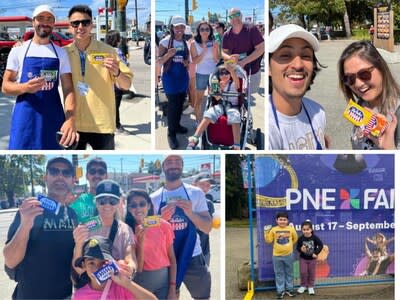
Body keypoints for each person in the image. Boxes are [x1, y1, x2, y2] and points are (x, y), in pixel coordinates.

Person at [1, 5, 78, 150]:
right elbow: (5, 86)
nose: (45, 22)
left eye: (49, 19)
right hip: (24, 118)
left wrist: (71, 118)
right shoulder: (18, 50)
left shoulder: (61, 53)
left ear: (53, 24)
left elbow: (68, 88)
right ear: (33, 22)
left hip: (53, 118)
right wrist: (25, 87)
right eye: (40, 18)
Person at [4, 157, 78, 299]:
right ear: (46, 177)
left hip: (64, 295)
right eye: (54, 171)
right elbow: (10, 260)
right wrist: (26, 224)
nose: (60, 176)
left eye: (66, 173)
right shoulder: (30, 209)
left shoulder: (72, 215)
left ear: (73, 180)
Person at [65, 5, 133, 150]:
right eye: (75, 23)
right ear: (69, 27)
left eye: (85, 22)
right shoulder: (63, 54)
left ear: (92, 25)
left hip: (102, 124)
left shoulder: (108, 51)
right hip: (73, 123)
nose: (80, 27)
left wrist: (117, 73)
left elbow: (126, 85)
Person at [151, 155, 212, 299]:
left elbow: (207, 227)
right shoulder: (154, 198)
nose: (174, 165)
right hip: (165, 258)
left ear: (182, 166)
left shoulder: (196, 193)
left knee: (202, 296)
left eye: (178, 161)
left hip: (193, 255)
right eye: (169, 162)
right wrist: (160, 219)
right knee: (171, 296)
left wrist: (190, 213)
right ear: (163, 167)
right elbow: (148, 231)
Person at [268, 24, 327, 150]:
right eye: (285, 55)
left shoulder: (318, 113)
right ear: (268, 67)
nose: (298, 65)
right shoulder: (269, 130)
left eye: (306, 55)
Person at [338, 40, 400, 149]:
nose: (358, 84)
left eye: (364, 74)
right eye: (349, 78)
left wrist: (390, 150)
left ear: (381, 67)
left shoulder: (397, 112)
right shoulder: (362, 104)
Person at [72, 179, 137, 284]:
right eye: (102, 201)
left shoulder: (126, 229)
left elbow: (130, 257)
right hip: (93, 288)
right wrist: (79, 243)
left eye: (112, 201)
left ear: (118, 203)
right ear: (96, 203)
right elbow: (79, 267)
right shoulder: (84, 229)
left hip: (118, 286)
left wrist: (129, 268)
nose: (107, 205)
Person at [125, 189, 177, 300]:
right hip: (140, 281)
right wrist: (141, 241)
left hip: (163, 281)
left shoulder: (163, 225)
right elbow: (138, 268)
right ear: (129, 209)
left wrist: (172, 288)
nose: (138, 208)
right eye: (133, 205)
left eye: (142, 204)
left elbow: (172, 258)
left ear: (149, 205)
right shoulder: (127, 230)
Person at [73, 236, 156, 300]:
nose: (97, 268)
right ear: (84, 265)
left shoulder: (122, 287)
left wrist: (128, 284)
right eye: (91, 263)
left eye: (103, 263)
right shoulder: (79, 296)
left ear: (111, 263)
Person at [186, 64, 241, 149]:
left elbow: (238, 84)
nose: (224, 75)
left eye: (227, 73)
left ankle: (236, 144)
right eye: (222, 74)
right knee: (209, 113)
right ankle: (195, 138)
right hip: (221, 105)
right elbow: (217, 98)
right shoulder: (217, 84)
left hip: (233, 106)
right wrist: (220, 89)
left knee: (235, 116)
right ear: (219, 76)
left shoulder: (233, 83)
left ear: (230, 74)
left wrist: (232, 70)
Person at [158, 16, 190, 149]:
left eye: (182, 26)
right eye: (177, 27)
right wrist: (167, 56)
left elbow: (187, 59)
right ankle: (171, 134)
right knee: (173, 106)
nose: (179, 29)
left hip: (182, 77)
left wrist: (187, 62)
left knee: (180, 104)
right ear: (172, 27)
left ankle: (176, 126)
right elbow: (159, 61)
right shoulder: (165, 42)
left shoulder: (185, 42)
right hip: (170, 78)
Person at [222, 8, 264, 96]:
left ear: (241, 16)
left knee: (249, 95)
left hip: (252, 70)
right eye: (231, 16)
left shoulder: (251, 29)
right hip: (235, 71)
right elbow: (223, 52)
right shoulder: (227, 34)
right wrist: (229, 58)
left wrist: (243, 62)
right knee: (236, 95)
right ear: (229, 19)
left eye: (236, 15)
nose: (234, 18)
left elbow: (261, 48)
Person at [264, 211, 298, 299]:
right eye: (280, 220)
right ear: (276, 220)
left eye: (284, 220)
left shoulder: (291, 229)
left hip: (289, 255)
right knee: (279, 273)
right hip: (276, 256)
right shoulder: (274, 229)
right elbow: (269, 241)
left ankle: (289, 289)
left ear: (287, 221)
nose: (282, 221)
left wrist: (289, 246)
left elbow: (295, 239)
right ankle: (280, 290)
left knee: (289, 273)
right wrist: (266, 232)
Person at [191, 21, 219, 123]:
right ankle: (198, 120)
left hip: (214, 74)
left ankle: (213, 120)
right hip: (201, 75)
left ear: (210, 31)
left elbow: (216, 60)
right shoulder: (194, 44)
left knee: (216, 97)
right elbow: (194, 61)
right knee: (199, 99)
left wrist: (215, 49)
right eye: (202, 29)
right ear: (198, 31)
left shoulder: (214, 42)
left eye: (207, 29)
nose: (204, 31)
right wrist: (204, 50)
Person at [105, 30, 131, 135]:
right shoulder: (117, 51)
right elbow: (124, 65)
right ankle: (117, 125)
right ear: (116, 40)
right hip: (117, 82)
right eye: (119, 38)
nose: (120, 40)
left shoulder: (105, 50)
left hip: (107, 83)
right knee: (115, 105)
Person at [70, 157, 108, 223]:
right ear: (87, 176)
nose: (97, 175)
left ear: (106, 176)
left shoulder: (113, 201)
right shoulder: (76, 200)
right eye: (92, 172)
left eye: (101, 172)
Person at [296, 220, 323, 296]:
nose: (306, 231)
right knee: (303, 272)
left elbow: (321, 245)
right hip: (303, 259)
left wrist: (315, 253)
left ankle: (310, 286)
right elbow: (297, 248)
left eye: (307, 229)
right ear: (301, 230)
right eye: (304, 230)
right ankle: (303, 286)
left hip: (312, 259)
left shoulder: (315, 238)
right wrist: (301, 249)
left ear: (311, 229)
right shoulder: (300, 238)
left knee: (311, 273)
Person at [192, 176, 215, 266]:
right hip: (186, 249)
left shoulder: (209, 203)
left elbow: (208, 226)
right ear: (194, 185)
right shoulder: (186, 202)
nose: (205, 188)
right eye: (202, 184)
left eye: (208, 185)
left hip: (204, 248)